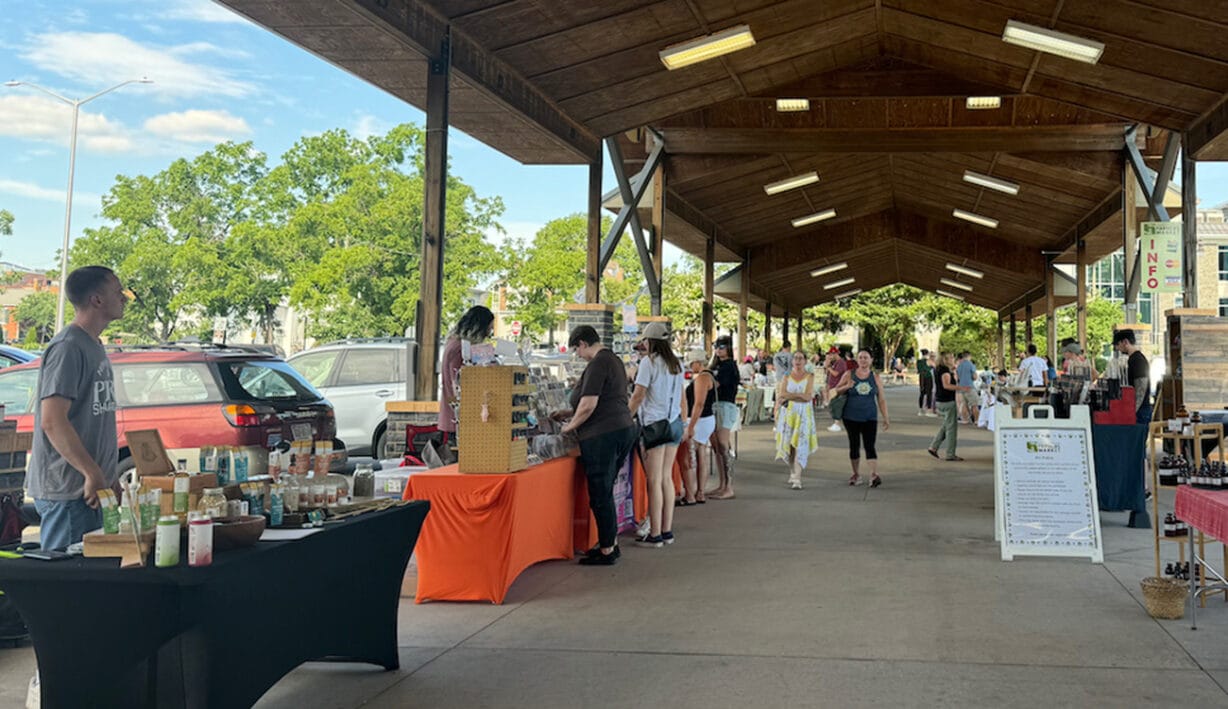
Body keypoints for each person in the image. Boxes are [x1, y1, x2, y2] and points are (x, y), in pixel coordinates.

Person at [28, 266, 126, 551]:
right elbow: (53, 421)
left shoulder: (94, 345)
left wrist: (109, 476)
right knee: (66, 585)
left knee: (91, 584)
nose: (124, 298)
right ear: (97, 299)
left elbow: (91, 419)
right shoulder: (68, 347)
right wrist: (92, 473)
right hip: (70, 492)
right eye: (117, 292)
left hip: (93, 487)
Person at [556, 326, 638, 566]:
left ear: (583, 343)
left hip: (602, 434)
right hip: (621, 428)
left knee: (600, 491)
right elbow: (604, 399)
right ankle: (608, 541)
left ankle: (606, 549)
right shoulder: (612, 359)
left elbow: (589, 404)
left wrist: (569, 427)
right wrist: (569, 413)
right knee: (606, 489)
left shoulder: (598, 363)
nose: (578, 355)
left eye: (576, 350)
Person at [628, 323, 684, 548]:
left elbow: (638, 395)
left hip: (654, 425)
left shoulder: (648, 363)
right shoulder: (677, 364)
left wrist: (626, 418)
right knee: (666, 478)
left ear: (650, 342)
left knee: (654, 480)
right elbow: (681, 396)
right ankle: (667, 531)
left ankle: (656, 534)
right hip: (674, 423)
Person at [438, 305, 496, 441]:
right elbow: (460, 383)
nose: (490, 333)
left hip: (454, 417)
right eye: (489, 328)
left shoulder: (454, 344)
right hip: (458, 419)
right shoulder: (460, 349)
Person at [834, 349, 890, 487]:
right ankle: (856, 474)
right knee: (854, 445)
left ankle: (873, 474)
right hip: (850, 417)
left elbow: (881, 399)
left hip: (869, 416)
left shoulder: (875, 377)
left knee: (870, 445)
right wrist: (847, 386)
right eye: (860, 358)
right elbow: (836, 390)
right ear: (857, 360)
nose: (863, 360)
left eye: (866, 358)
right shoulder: (849, 374)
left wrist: (886, 417)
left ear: (871, 360)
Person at [775, 351, 818, 490]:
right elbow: (782, 394)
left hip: (804, 413)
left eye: (800, 358)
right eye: (795, 358)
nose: (798, 361)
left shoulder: (809, 376)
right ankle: (792, 471)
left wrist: (791, 396)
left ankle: (798, 477)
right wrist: (797, 396)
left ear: (805, 361)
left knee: (801, 443)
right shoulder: (786, 376)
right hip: (789, 413)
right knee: (790, 443)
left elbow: (808, 396)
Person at [679, 349, 716, 505]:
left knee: (687, 457)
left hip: (699, 420)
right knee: (701, 455)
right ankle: (699, 492)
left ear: (697, 363)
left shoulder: (701, 378)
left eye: (691, 363)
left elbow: (698, 404)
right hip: (706, 420)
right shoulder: (710, 377)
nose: (690, 367)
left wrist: (691, 425)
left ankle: (690, 494)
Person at [708, 336, 740, 500]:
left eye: (722, 346)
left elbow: (717, 384)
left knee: (723, 444)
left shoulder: (729, 366)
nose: (718, 349)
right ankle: (722, 484)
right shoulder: (716, 365)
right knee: (717, 448)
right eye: (716, 346)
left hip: (726, 405)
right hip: (715, 405)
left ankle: (729, 486)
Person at [927, 352, 963, 462]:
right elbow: (946, 385)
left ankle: (933, 446)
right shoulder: (944, 371)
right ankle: (950, 453)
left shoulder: (939, 369)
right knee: (951, 429)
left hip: (940, 400)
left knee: (946, 425)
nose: (953, 359)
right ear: (946, 359)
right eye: (952, 357)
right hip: (947, 401)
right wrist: (961, 388)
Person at [1114, 329, 1152, 424]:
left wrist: (1132, 411)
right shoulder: (1133, 359)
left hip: (1140, 410)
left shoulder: (1138, 360)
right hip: (1139, 409)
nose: (1117, 348)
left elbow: (1141, 388)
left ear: (1125, 342)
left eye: (1118, 344)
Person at [824, 347, 847, 433]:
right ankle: (836, 423)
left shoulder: (841, 363)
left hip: (837, 387)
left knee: (836, 405)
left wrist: (829, 367)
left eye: (831, 354)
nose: (830, 356)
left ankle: (837, 424)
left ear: (835, 354)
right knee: (833, 405)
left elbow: (836, 374)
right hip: (833, 387)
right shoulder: (836, 363)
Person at [956, 351, 979, 424]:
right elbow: (975, 376)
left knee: (964, 404)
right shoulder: (970, 364)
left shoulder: (959, 366)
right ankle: (976, 420)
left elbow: (957, 377)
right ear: (969, 356)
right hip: (969, 387)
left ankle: (965, 420)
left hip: (961, 387)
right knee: (974, 405)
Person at [916, 348, 933, 415]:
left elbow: (918, 370)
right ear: (927, 354)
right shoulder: (929, 361)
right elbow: (934, 367)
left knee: (922, 393)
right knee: (929, 394)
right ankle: (928, 409)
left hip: (921, 378)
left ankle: (920, 409)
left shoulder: (919, 361)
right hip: (928, 377)